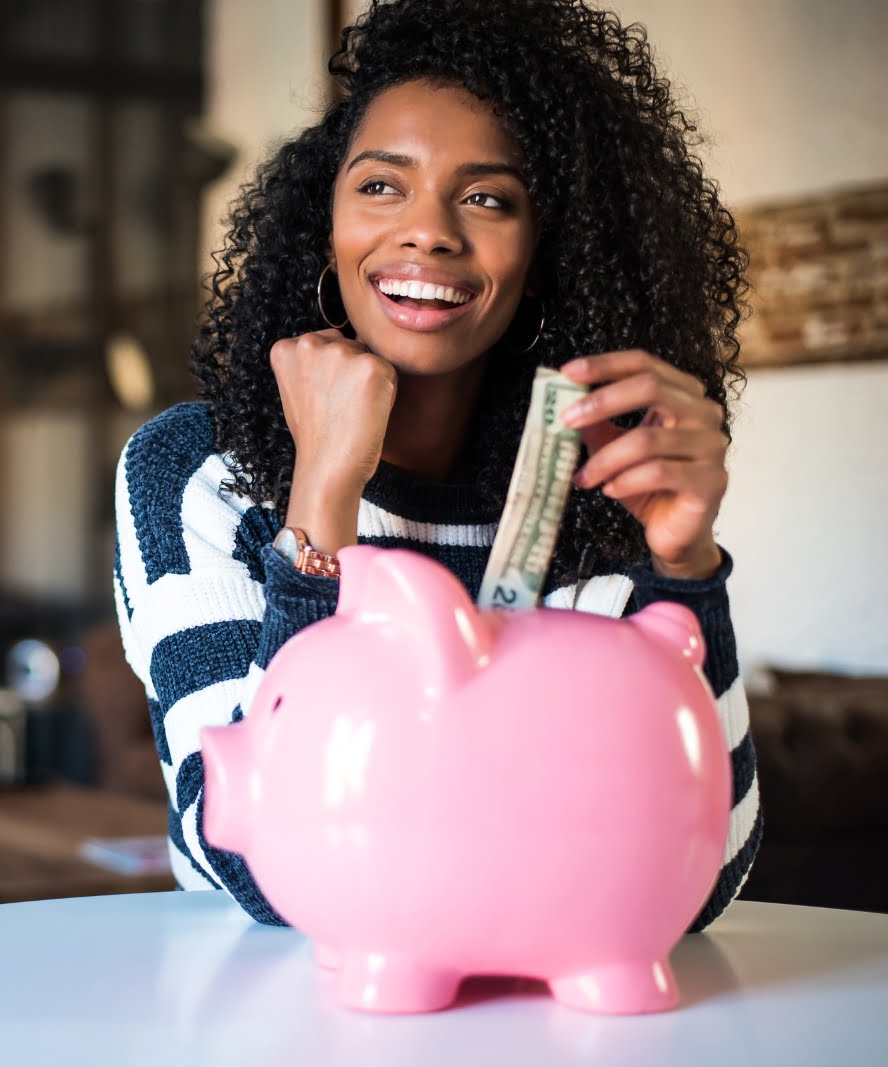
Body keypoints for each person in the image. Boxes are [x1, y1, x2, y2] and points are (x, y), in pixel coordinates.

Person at [112, 0, 760, 931]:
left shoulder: (593, 482)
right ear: (321, 223)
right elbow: (249, 859)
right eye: (381, 185)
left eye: (488, 197)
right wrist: (323, 492)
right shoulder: (197, 472)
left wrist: (686, 569)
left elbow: (699, 882)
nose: (429, 231)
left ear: (541, 257)